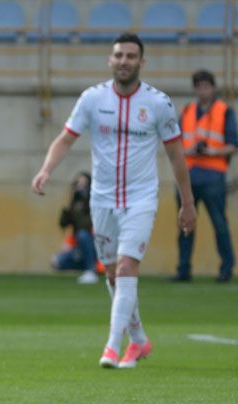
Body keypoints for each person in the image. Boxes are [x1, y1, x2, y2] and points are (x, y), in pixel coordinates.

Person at [31, 34, 196, 369]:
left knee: (126, 267)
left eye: (131, 56)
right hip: (102, 198)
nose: (124, 61)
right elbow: (65, 139)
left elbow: (176, 156)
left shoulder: (158, 103)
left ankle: (111, 346)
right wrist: (46, 170)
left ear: (141, 62)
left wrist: (187, 202)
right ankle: (138, 341)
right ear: (110, 60)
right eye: (119, 55)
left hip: (141, 198)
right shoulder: (92, 99)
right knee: (112, 276)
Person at [173, 69, 236, 283]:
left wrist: (211, 152)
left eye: (206, 86)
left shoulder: (224, 111)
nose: (203, 90)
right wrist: (188, 151)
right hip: (188, 176)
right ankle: (183, 270)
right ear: (194, 89)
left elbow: (233, 145)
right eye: (199, 86)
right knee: (185, 225)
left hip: (213, 176)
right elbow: (176, 144)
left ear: (214, 87)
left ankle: (226, 269)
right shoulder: (187, 110)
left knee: (219, 224)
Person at [50, 172, 99, 284]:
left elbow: (86, 226)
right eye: (78, 184)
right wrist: (71, 203)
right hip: (80, 247)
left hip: (97, 244)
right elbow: (63, 224)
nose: (80, 188)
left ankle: (91, 270)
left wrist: (85, 201)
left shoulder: (93, 203)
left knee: (82, 235)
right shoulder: (76, 203)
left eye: (83, 184)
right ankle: (88, 267)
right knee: (57, 261)